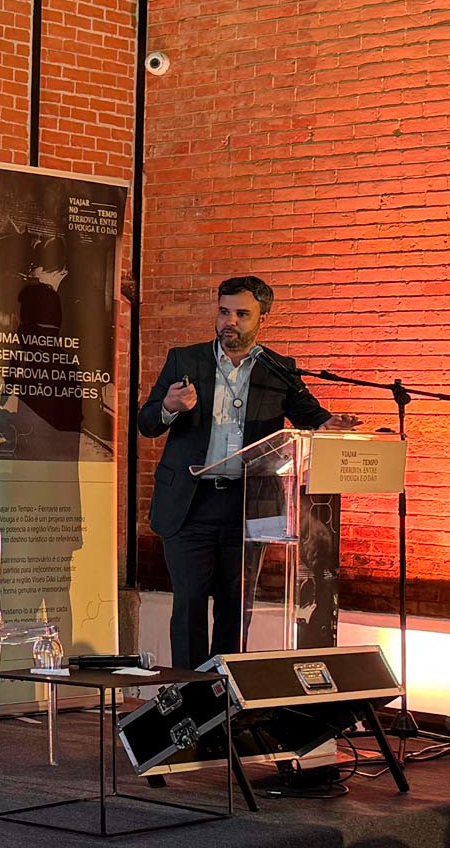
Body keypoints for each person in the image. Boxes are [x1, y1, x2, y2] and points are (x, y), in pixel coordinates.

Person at [138, 276, 358, 669]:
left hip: (247, 505)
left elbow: (311, 415)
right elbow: (147, 422)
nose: (230, 322)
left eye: (242, 314)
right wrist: (169, 406)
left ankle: (225, 697)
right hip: (190, 504)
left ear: (262, 318)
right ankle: (189, 700)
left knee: (236, 606)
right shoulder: (185, 360)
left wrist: (329, 424)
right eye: (224, 312)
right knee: (188, 603)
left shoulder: (279, 369)